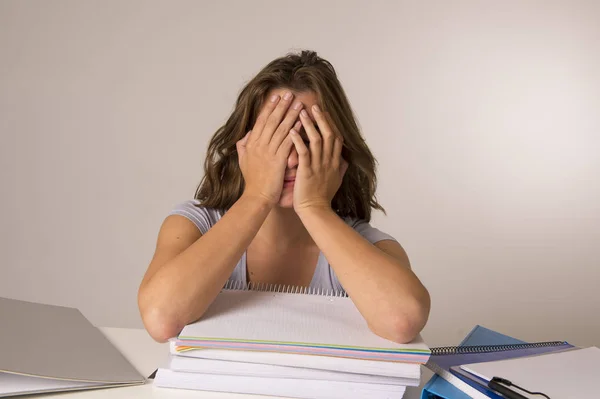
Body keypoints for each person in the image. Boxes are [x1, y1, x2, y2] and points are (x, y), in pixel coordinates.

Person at [137, 50, 430, 344]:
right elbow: (162, 320)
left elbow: (402, 321)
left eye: (307, 142)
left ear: (338, 152)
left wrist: (314, 207)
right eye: (274, 140)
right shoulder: (193, 226)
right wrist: (257, 196)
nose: (290, 160)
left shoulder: (371, 246)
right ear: (245, 146)